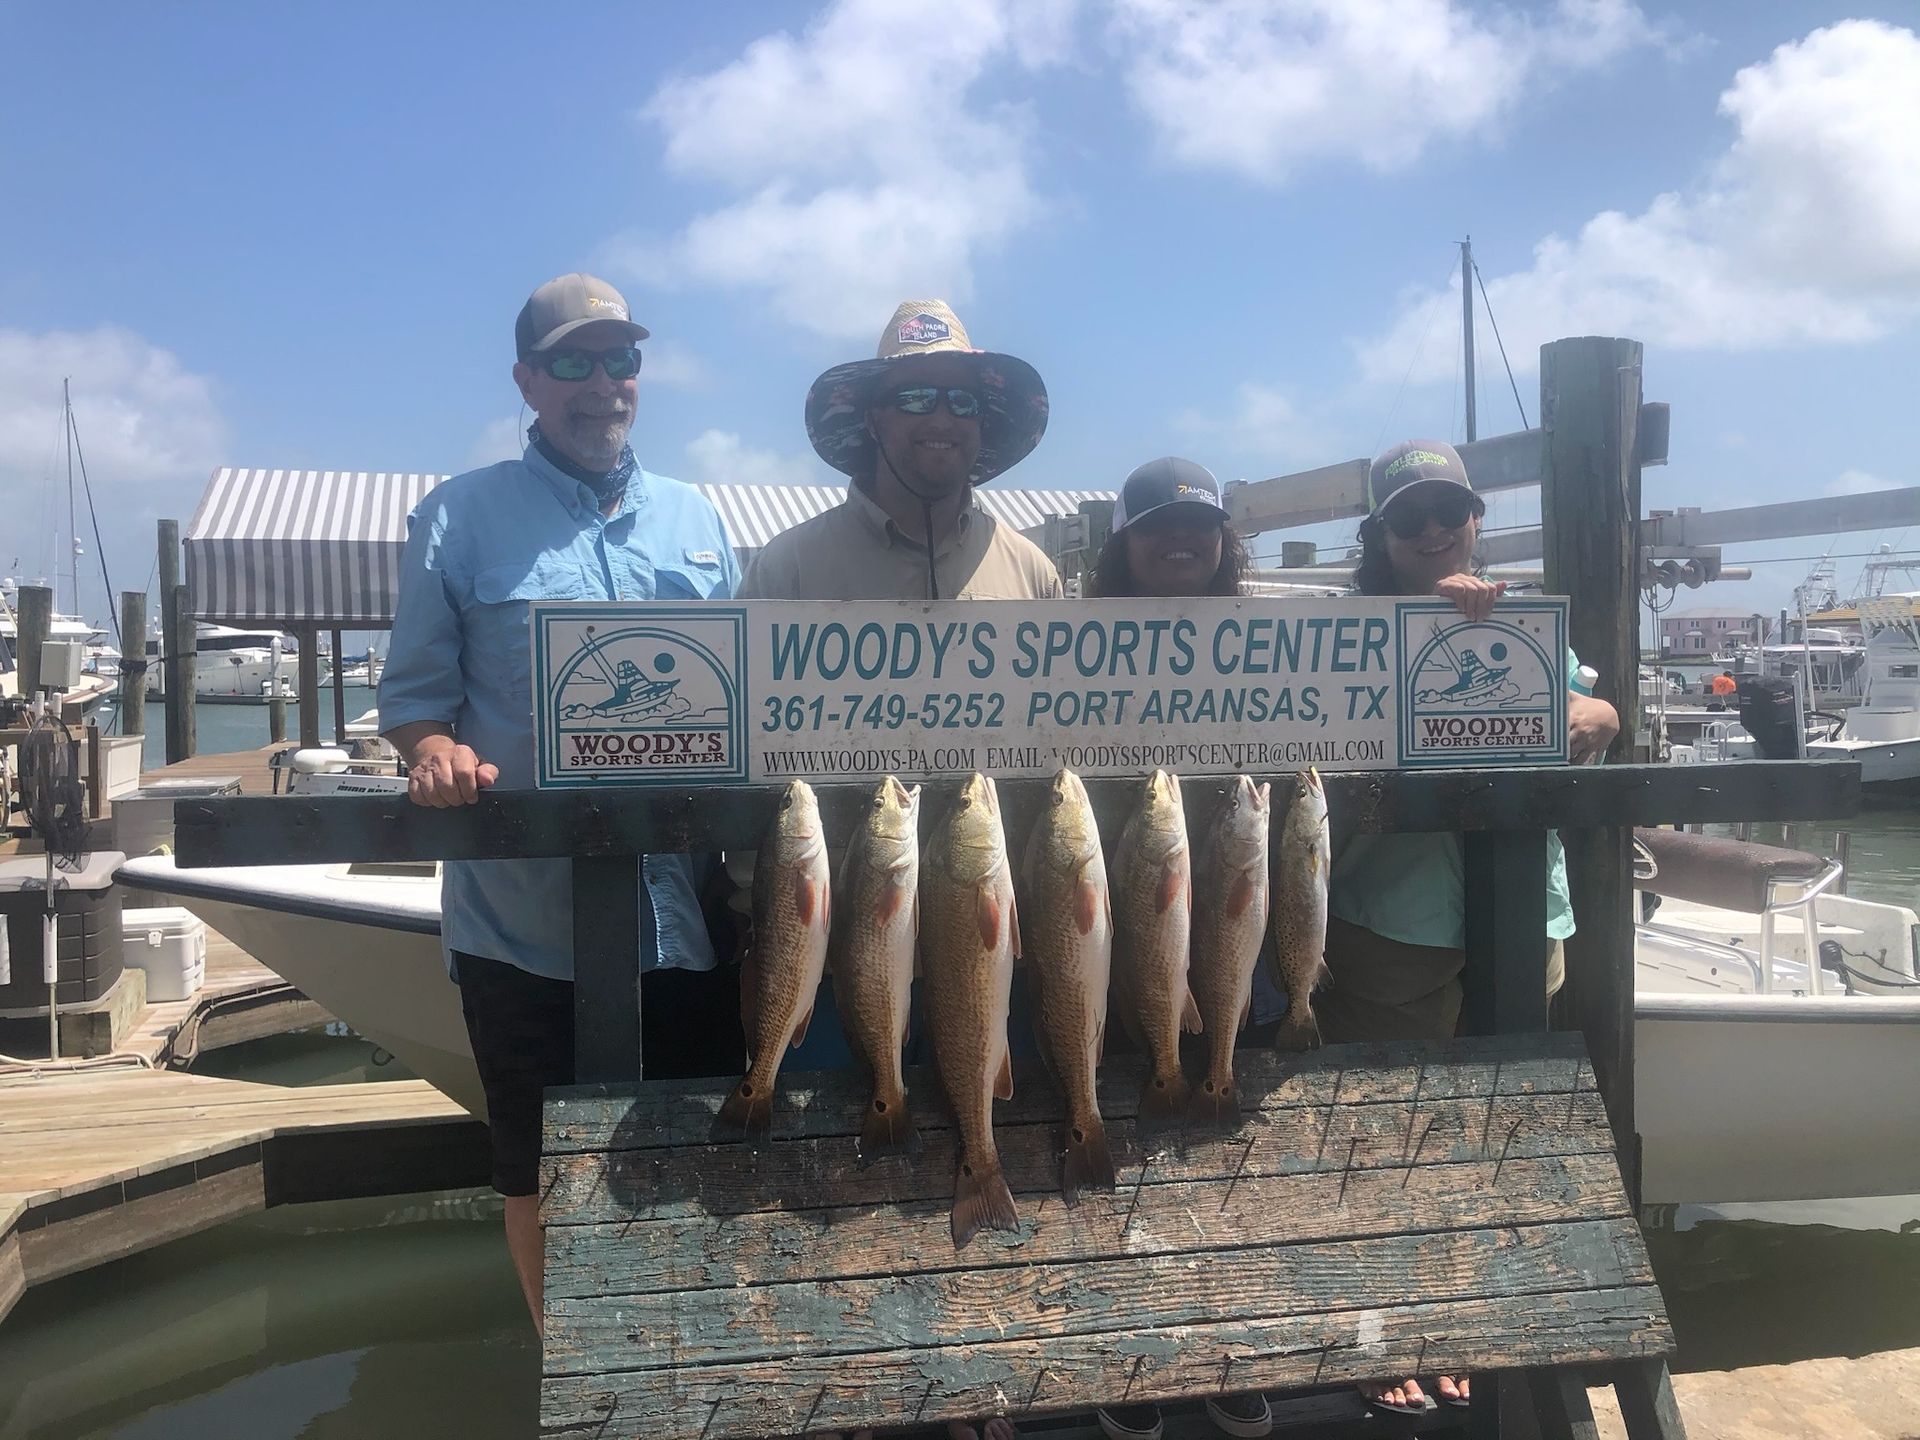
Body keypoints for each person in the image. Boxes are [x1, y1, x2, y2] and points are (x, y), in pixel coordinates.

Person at [379, 272, 743, 1336]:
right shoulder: (456, 515)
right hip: (521, 924)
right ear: (528, 380)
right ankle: (573, 1370)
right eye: (574, 363)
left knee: (691, 1154)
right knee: (534, 1171)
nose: (602, 385)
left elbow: (747, 704)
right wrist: (434, 749)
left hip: (685, 921)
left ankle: (682, 1366)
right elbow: (412, 701)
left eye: (619, 359)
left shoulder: (701, 516)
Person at [734, 298, 1059, 1440]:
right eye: (914, 395)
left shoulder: (1031, 568)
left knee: (985, 1111)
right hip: (844, 921)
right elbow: (743, 763)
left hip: (983, 911)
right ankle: (852, 1393)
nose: (940, 419)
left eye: (962, 401)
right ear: (870, 417)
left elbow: (1076, 740)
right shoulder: (781, 567)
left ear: (987, 423)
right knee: (838, 1144)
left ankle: (979, 1386)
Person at [1335, 439, 1619, 1415]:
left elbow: (1597, 715)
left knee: (1492, 1137)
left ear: (1476, 516)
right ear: (1380, 533)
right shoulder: (1347, 629)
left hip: (1520, 914)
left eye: (1446, 509)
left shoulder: (1522, 617)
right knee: (1380, 1138)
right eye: (1408, 516)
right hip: (1391, 921)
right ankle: (1380, 1331)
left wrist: (1545, 695)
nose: (1430, 530)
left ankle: (1464, 1320)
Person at [1086, 457, 1273, 1440]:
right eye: (1159, 526)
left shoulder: (1277, 637)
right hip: (1128, 931)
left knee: (1228, 1152)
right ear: (1123, 543)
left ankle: (1231, 1347)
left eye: (1200, 525)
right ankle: (1133, 1356)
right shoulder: (1071, 646)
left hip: (1239, 928)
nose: (1181, 541)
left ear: (1224, 540)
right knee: (1129, 1143)